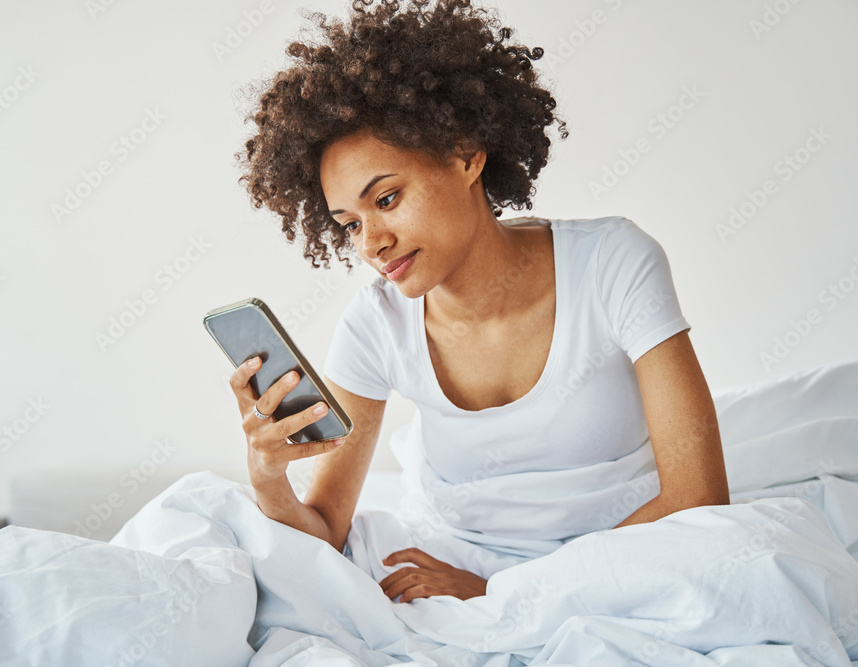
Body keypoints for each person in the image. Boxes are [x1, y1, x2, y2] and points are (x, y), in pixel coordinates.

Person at [230, 0, 729, 604]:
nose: (371, 243)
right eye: (350, 224)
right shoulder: (376, 324)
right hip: (455, 563)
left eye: (386, 200)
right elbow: (324, 533)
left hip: (630, 562)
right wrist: (268, 477)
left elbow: (698, 498)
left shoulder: (612, 262)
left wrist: (501, 590)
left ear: (466, 155)